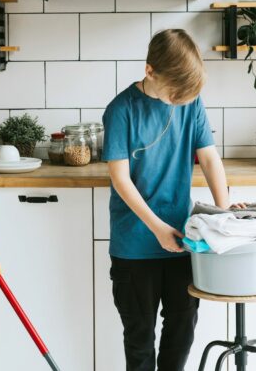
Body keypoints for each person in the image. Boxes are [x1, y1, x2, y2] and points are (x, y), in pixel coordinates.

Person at [102, 29, 242, 371]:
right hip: (134, 246)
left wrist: (223, 209)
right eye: (175, 91)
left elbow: (209, 158)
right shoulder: (121, 110)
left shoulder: (189, 101)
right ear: (150, 71)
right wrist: (159, 229)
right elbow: (120, 178)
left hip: (183, 240)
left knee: (182, 329)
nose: (180, 99)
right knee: (140, 340)